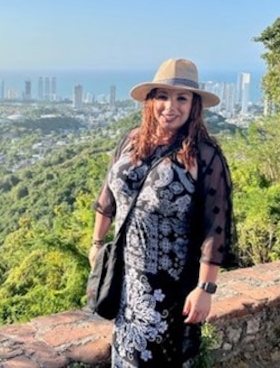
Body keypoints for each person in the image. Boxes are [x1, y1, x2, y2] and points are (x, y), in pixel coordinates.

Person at [89, 58, 235, 367]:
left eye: (181, 98)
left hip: (169, 285)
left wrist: (205, 288)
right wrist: (97, 243)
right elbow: (108, 197)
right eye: (163, 97)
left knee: (160, 359)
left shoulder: (204, 156)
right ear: (151, 101)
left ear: (194, 105)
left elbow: (216, 226)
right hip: (126, 277)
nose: (171, 106)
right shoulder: (130, 141)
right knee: (125, 355)